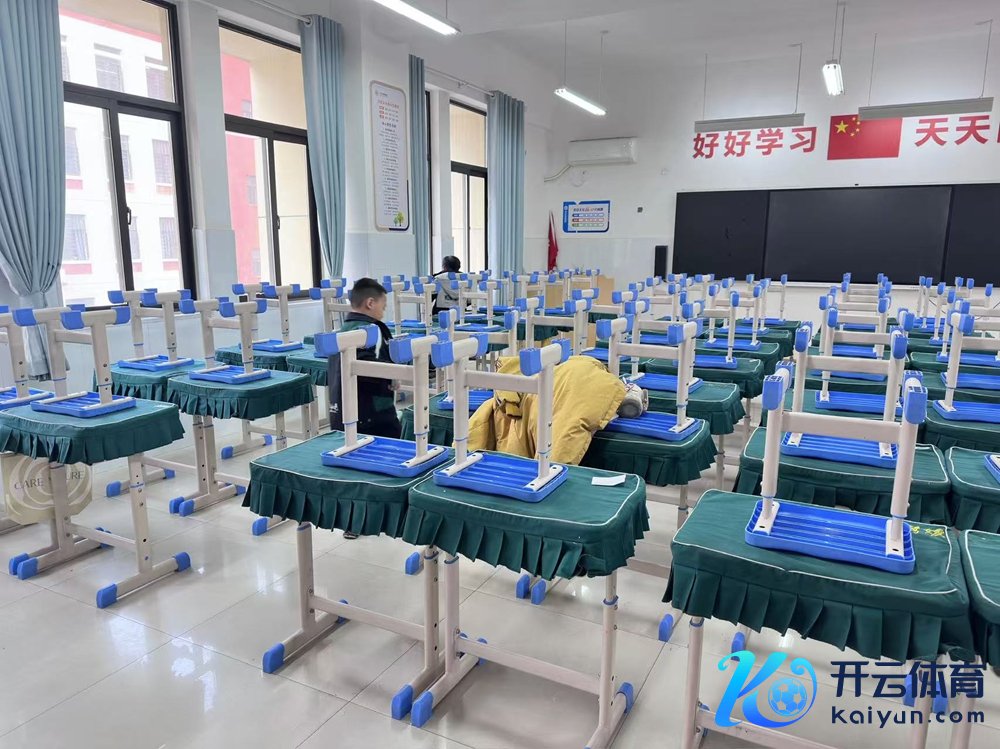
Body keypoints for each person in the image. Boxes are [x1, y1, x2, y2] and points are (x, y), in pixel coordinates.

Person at [327, 278, 401, 539]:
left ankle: (351, 521)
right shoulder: (373, 330)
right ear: (370, 303)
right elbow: (372, 367)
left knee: (352, 461)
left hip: (341, 408)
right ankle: (385, 514)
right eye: (383, 305)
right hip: (374, 411)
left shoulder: (341, 330)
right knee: (387, 458)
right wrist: (394, 374)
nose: (383, 311)